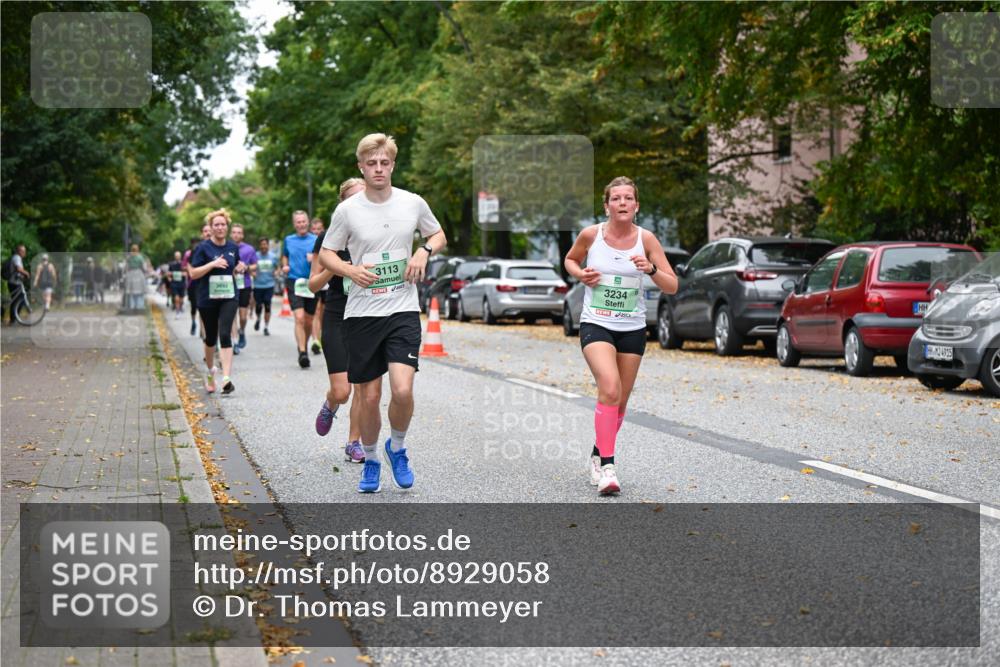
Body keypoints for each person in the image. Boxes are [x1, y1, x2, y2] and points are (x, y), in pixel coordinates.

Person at [320, 133, 447, 493]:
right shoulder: (347, 210)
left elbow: (438, 234)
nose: (378, 168)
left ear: (392, 165)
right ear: (361, 167)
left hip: (402, 309)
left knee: (403, 390)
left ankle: (398, 448)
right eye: (371, 163)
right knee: (371, 397)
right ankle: (372, 460)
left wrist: (423, 251)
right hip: (361, 315)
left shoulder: (412, 202)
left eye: (384, 162)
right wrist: (349, 271)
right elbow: (327, 253)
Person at [564, 176, 678, 496]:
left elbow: (673, 284)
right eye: (616, 198)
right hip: (596, 323)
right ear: (607, 205)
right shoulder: (591, 235)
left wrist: (651, 270)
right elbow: (571, 259)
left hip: (632, 328)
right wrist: (580, 274)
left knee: (620, 402)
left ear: (636, 206)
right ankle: (609, 468)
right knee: (609, 388)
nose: (623, 203)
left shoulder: (647, 240)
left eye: (628, 198)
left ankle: (597, 453)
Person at [310, 178, 366, 464]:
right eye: (353, 199)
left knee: (363, 386)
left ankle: (353, 443)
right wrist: (337, 268)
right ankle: (330, 403)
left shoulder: (373, 234)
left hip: (367, 315)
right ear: (342, 204)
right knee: (343, 390)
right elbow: (312, 285)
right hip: (336, 315)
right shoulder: (328, 238)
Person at [188, 209, 245, 395]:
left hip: (229, 296)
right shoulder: (203, 248)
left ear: (227, 227)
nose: (220, 227)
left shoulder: (232, 247)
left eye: (223, 224)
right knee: (210, 337)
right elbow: (193, 273)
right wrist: (212, 264)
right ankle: (212, 372)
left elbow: (235, 266)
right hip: (207, 298)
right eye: (216, 225)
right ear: (211, 228)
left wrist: (240, 267)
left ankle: (226, 378)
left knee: (225, 333)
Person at [282, 210, 318, 368]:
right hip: (294, 281)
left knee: (309, 320)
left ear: (308, 222)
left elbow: (324, 258)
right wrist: (285, 265)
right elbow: (285, 255)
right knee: (299, 318)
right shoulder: (288, 240)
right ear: (294, 224)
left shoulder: (316, 239)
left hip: (311, 281)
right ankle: (303, 352)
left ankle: (303, 342)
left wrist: (314, 259)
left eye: (304, 221)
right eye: (298, 222)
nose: (301, 224)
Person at [230, 223, 258, 353]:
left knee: (242, 316)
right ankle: (234, 342)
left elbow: (255, 265)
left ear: (242, 235)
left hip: (245, 285)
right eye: (234, 232)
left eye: (238, 232)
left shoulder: (249, 249)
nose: (236, 234)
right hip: (230, 285)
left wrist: (246, 267)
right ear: (231, 234)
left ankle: (242, 331)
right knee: (231, 314)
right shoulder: (227, 247)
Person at [184, 225, 211, 336]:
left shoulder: (221, 246)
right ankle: (204, 333)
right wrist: (193, 273)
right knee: (201, 308)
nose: (208, 233)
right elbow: (189, 265)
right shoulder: (197, 248)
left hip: (215, 284)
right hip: (198, 283)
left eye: (209, 231)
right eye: (205, 231)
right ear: (202, 234)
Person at [253, 237, 278, 336]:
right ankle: (258, 318)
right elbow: (250, 267)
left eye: (265, 244)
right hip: (258, 285)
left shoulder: (273, 256)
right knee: (258, 305)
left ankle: (266, 327)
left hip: (269, 284)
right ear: (260, 245)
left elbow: (277, 268)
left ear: (268, 245)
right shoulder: (255, 256)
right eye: (262, 244)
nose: (264, 246)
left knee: (267, 305)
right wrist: (252, 273)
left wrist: (276, 272)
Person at [309, 217, 327, 356]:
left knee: (323, 312)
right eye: (313, 229)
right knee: (316, 310)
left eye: (318, 229)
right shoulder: (309, 242)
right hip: (314, 281)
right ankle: (315, 339)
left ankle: (322, 336)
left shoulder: (329, 239)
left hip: (329, 283)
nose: (316, 232)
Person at [6, 244, 31, 323]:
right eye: (23, 251)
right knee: (19, 300)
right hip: (14, 283)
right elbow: (18, 269)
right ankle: (13, 319)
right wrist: (26, 273)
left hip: (14, 282)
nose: (25, 253)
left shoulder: (16, 257)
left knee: (16, 301)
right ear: (19, 251)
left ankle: (13, 319)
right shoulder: (17, 258)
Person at [124, 244, 150, 311]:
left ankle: (132, 306)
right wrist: (146, 272)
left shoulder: (128, 257)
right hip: (139, 273)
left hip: (130, 274)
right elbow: (144, 267)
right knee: (140, 291)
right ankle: (139, 306)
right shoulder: (140, 257)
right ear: (138, 250)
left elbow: (126, 267)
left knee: (131, 291)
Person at [168, 251, 185, 316]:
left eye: (178, 256)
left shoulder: (183, 264)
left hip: (182, 283)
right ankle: (177, 311)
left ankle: (180, 307)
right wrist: (169, 278)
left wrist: (184, 274)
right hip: (174, 284)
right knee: (176, 298)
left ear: (180, 256)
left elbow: (187, 273)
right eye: (176, 256)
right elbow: (168, 273)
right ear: (174, 257)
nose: (177, 257)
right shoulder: (171, 264)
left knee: (181, 300)